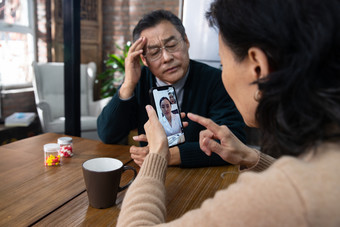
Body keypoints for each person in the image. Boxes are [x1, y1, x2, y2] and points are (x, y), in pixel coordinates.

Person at [117, 0, 340, 226]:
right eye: (155, 52)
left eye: (223, 62)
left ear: (258, 67)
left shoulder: (278, 197)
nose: (166, 58)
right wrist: (252, 157)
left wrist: (157, 155)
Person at [97, 9, 246, 168]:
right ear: (144, 60)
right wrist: (128, 85)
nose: (167, 58)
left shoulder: (216, 80)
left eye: (172, 45)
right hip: (149, 175)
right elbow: (107, 135)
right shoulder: (139, 81)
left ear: (186, 41)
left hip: (203, 176)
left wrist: (168, 156)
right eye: (154, 52)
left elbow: (234, 141)